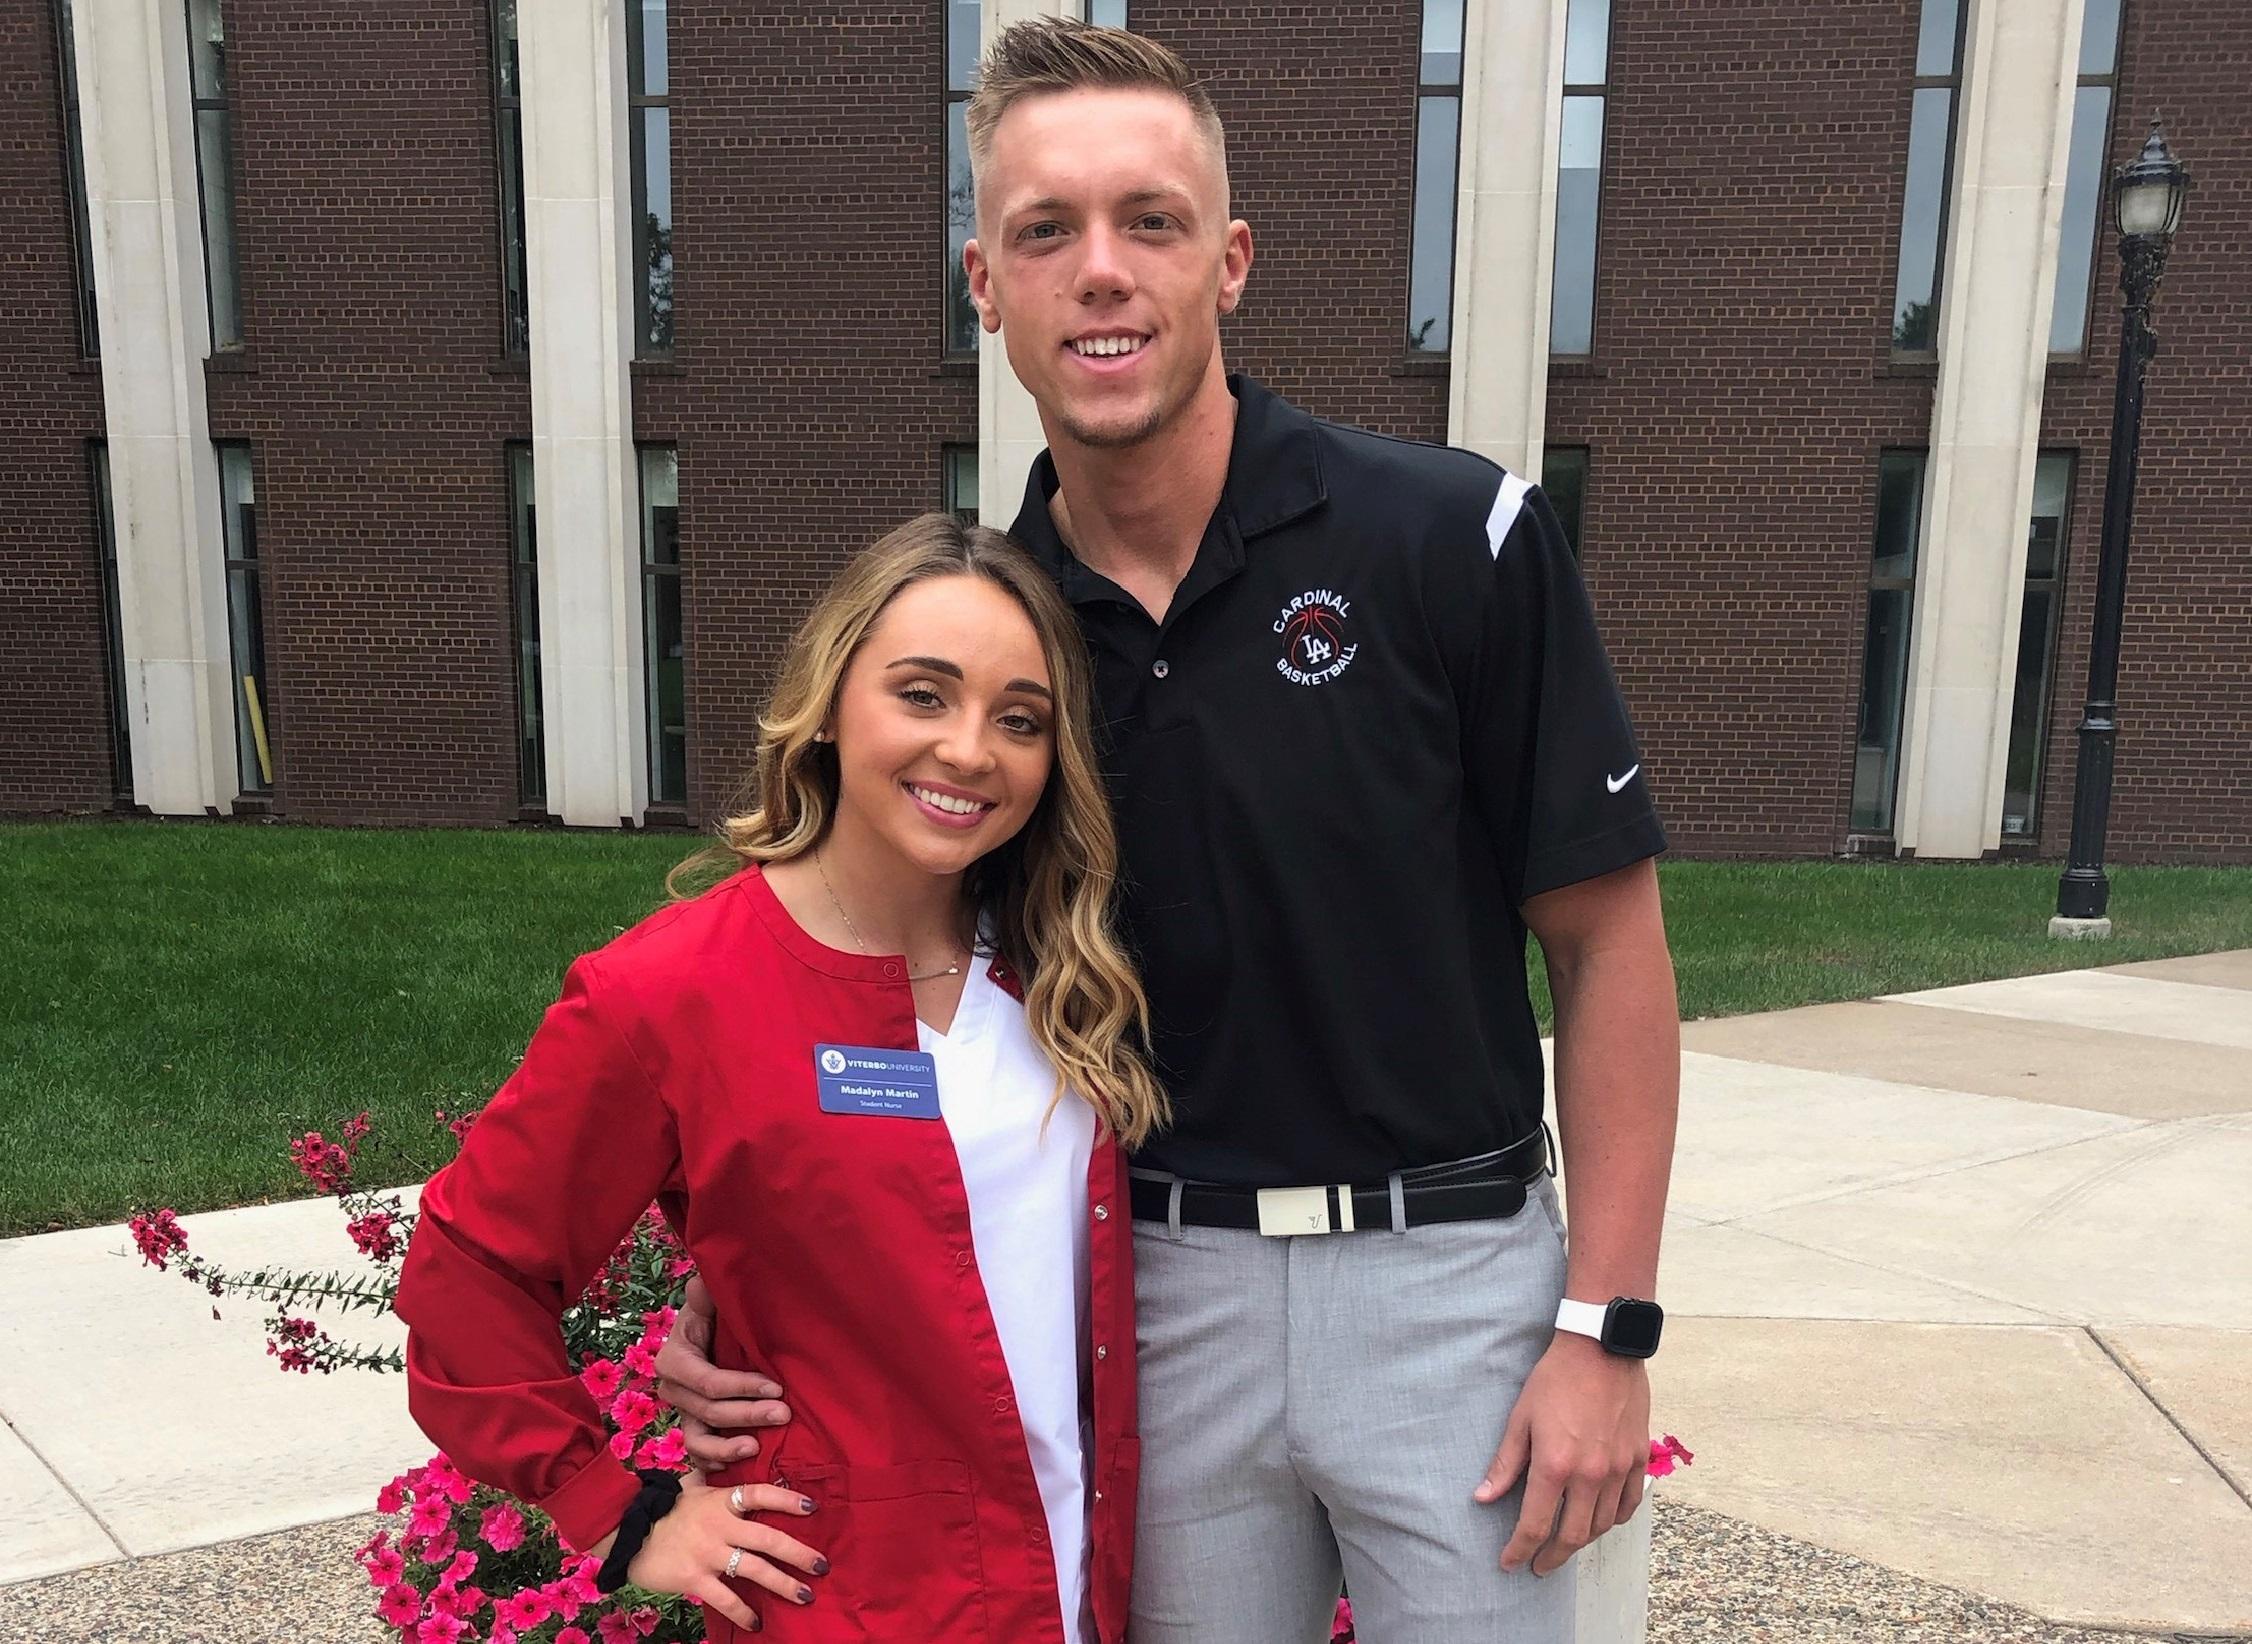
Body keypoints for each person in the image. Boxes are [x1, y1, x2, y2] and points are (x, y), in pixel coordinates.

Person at [659, 19, 1682, 1644]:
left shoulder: (1446, 534)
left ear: (1230, 261)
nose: (1103, 273)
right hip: (1148, 1297)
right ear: (985, 286)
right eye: (1045, 232)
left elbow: (1607, 940)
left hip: (1451, 1280)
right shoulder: (986, 639)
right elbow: (889, 965)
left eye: (1150, 221)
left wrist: (1603, 1324)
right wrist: (746, 1254)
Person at [394, 514, 1169, 1644]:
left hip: (1084, 1583)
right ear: (830, 701)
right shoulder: (669, 991)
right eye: (921, 694)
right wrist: (616, 1512)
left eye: (1019, 720)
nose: (969, 750)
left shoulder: (1065, 970)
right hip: (848, 1599)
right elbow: (464, 1270)